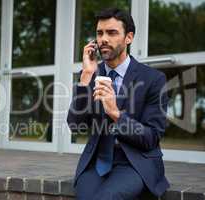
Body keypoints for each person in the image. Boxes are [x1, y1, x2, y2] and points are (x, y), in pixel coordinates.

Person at [67, 8, 170, 200]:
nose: (103, 39)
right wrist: (86, 76)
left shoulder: (153, 79)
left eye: (112, 32)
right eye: (100, 33)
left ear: (128, 37)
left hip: (135, 163)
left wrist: (116, 113)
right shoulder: (92, 75)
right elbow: (74, 125)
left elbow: (151, 137)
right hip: (96, 164)